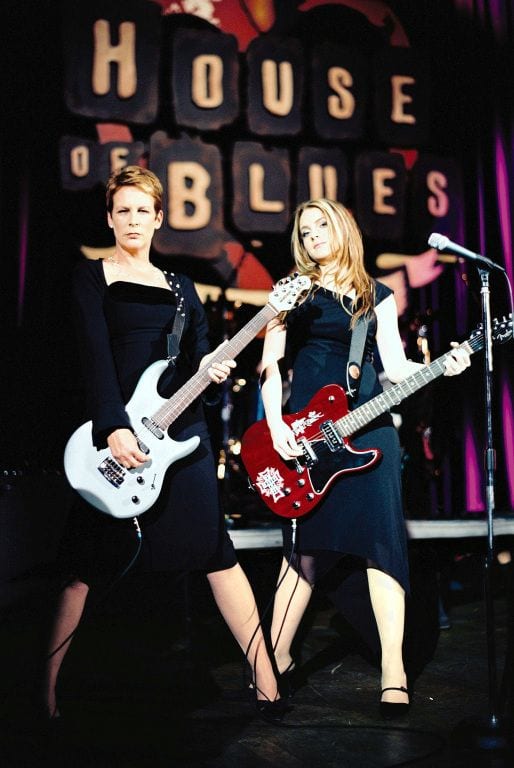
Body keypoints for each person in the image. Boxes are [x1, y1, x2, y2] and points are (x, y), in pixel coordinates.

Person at [43, 165, 283, 722]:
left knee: (218, 555)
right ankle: (44, 691)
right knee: (83, 567)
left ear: (158, 219)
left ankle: (267, 681)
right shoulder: (91, 277)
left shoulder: (181, 289)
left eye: (141, 211)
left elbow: (196, 363)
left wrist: (212, 372)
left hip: (180, 435)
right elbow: (93, 356)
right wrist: (112, 426)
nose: (132, 220)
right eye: (122, 210)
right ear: (110, 218)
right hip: (112, 436)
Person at [259, 198, 471, 718]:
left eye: (321, 225)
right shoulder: (293, 292)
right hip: (307, 434)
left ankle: (393, 671)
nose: (312, 235)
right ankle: (276, 656)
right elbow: (270, 365)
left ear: (343, 229)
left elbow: (395, 369)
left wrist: (441, 366)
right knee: (305, 551)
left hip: (369, 434)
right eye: (304, 230)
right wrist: (276, 424)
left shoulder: (378, 295)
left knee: (382, 549)